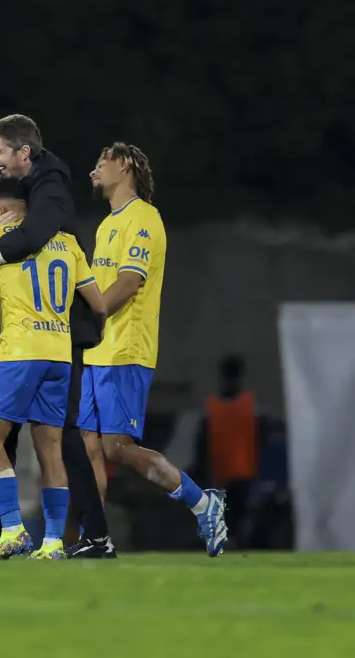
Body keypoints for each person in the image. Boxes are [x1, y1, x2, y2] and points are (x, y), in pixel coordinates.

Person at [0, 114, 114, 560]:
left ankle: (10, 530)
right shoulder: (68, 242)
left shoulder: (4, 239)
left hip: (19, 351)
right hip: (59, 352)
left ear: (9, 210)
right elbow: (100, 303)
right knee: (51, 446)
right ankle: (53, 541)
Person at [80, 142, 228, 557]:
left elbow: (129, 282)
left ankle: (202, 502)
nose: (92, 172)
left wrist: (93, 314)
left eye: (99, 163)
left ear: (123, 166)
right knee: (89, 446)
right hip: (97, 351)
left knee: (117, 448)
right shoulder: (107, 225)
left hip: (127, 349)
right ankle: (96, 537)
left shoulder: (144, 219)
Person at [201, 355, 261, 544]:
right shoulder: (251, 405)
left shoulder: (211, 407)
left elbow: (201, 444)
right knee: (238, 519)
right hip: (243, 472)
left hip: (222, 473)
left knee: (226, 519)